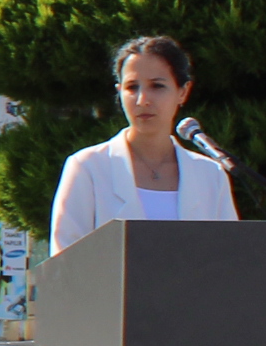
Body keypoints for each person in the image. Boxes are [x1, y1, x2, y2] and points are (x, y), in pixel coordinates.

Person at [47, 34, 238, 250]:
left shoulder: (210, 174)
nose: (142, 100)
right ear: (119, 93)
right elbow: (65, 262)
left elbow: (228, 260)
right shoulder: (88, 167)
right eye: (132, 87)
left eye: (157, 86)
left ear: (183, 92)